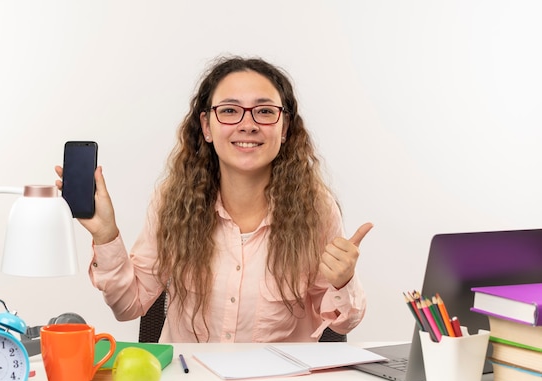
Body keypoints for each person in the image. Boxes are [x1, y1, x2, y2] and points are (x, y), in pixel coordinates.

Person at [56, 56, 373, 343]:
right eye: (230, 111)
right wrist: (106, 235)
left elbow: (342, 324)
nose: (247, 124)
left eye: (264, 111)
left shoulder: (315, 208)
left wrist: (344, 282)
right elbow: (128, 306)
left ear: (285, 127)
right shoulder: (172, 200)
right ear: (206, 126)